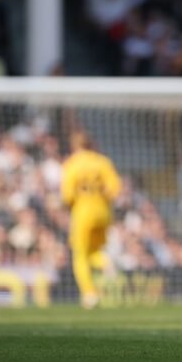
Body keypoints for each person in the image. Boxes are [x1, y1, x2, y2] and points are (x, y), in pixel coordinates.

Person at [61, 131, 122, 309]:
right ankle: (106, 262)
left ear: (74, 146)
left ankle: (89, 294)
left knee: (80, 255)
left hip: (83, 213)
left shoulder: (71, 164)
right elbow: (114, 188)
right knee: (94, 251)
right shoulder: (102, 162)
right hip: (103, 213)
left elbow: (67, 195)